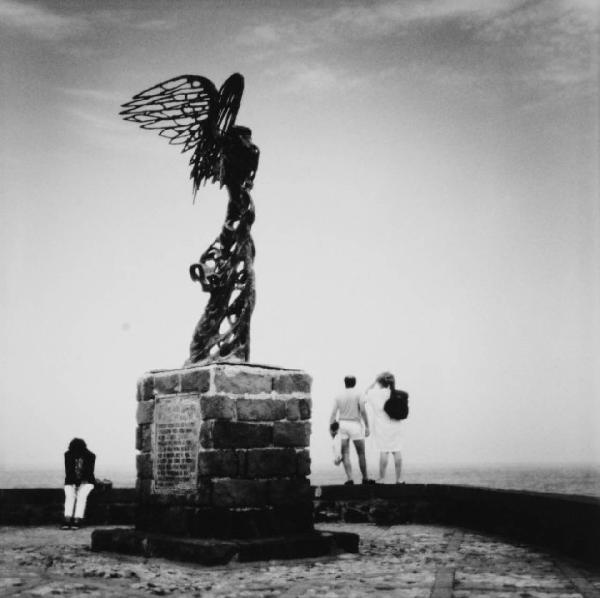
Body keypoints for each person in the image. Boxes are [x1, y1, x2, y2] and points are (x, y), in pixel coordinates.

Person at [329, 376, 374, 485]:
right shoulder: (359, 394)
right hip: (355, 425)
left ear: (345, 383)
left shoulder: (339, 395)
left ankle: (350, 479)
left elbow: (333, 413)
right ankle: (365, 478)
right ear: (355, 383)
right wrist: (367, 426)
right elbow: (363, 411)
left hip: (342, 425)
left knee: (345, 453)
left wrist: (332, 429)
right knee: (361, 453)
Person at [364, 372, 404, 483]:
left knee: (384, 451)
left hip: (381, 427)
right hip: (396, 425)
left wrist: (374, 382)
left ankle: (382, 478)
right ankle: (399, 479)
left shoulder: (374, 394)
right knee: (397, 451)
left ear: (380, 382)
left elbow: (364, 395)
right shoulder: (395, 393)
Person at [62, 438, 96, 529]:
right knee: (69, 495)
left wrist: (80, 483)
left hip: (86, 481)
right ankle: (67, 518)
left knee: (82, 495)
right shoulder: (68, 455)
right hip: (71, 481)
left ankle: (77, 518)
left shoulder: (90, 456)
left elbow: (89, 472)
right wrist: (75, 483)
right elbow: (69, 471)